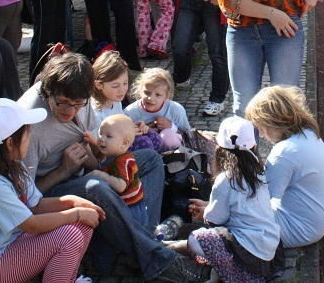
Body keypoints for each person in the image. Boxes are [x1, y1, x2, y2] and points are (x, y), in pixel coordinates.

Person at [18, 51, 209, 282]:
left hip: (85, 172)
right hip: (53, 190)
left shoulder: (81, 98)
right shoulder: (31, 125)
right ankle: (157, 257)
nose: (70, 111)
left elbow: (95, 157)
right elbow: (27, 199)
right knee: (96, 186)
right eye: (63, 104)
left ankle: (145, 241)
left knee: (149, 159)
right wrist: (63, 170)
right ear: (48, 93)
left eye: (78, 104)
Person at [0, 98, 100, 283]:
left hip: (14, 245)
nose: (30, 137)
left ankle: (66, 278)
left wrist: (72, 202)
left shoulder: (15, 166)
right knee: (69, 234)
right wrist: (76, 213)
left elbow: (37, 205)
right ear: (10, 143)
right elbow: (31, 224)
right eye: (27, 133)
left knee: (83, 224)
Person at [167, 116, 281, 282]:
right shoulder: (259, 173)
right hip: (267, 251)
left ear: (219, 149)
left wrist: (203, 214)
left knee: (198, 238)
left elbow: (215, 219)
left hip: (246, 251)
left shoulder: (226, 179)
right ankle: (223, 272)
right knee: (215, 237)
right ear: (254, 147)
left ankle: (169, 249)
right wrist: (208, 205)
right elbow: (242, 206)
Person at [245, 85, 324, 249]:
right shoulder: (308, 133)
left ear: (272, 122)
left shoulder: (284, 152)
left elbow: (261, 197)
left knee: (238, 218)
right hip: (315, 224)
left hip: (298, 229)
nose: (260, 135)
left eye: (261, 128)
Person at [88, 114, 148, 227]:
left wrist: (100, 175)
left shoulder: (122, 161)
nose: (102, 139)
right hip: (127, 205)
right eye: (100, 134)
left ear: (124, 144)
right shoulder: (111, 153)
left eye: (108, 136)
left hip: (131, 208)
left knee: (132, 236)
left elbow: (120, 186)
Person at [125, 67, 190, 150]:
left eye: (158, 95)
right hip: (145, 154)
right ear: (140, 90)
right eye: (147, 93)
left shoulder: (176, 109)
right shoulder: (130, 112)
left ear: (167, 96)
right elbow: (122, 137)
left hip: (172, 153)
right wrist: (140, 130)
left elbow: (188, 134)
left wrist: (171, 126)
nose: (150, 98)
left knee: (168, 136)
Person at [89, 50, 129, 126]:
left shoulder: (115, 101)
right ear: (99, 85)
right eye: (115, 86)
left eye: (125, 83)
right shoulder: (96, 114)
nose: (122, 90)